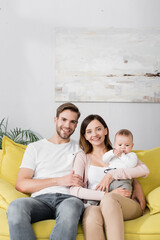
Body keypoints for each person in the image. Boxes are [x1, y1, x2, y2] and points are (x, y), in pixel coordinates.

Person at [7, 102, 85, 240]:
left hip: (69, 199)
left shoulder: (81, 148)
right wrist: (59, 180)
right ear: (55, 120)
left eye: (72, 122)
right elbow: (22, 184)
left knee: (71, 207)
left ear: (76, 124)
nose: (67, 125)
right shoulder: (35, 148)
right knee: (16, 206)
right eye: (64, 119)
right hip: (40, 201)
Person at [70, 114, 149, 240]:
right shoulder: (82, 157)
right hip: (95, 204)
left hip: (125, 203)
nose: (94, 134)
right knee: (91, 217)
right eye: (89, 131)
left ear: (106, 131)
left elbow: (144, 170)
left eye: (98, 129)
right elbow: (74, 190)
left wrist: (113, 175)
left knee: (110, 200)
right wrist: (105, 195)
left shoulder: (120, 151)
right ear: (85, 136)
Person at [102, 129, 138, 193]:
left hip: (124, 181)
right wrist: (112, 153)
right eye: (120, 145)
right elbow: (104, 159)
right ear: (115, 145)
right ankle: (92, 202)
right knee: (101, 189)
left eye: (127, 145)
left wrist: (122, 155)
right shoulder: (113, 153)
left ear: (132, 146)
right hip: (110, 180)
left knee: (125, 191)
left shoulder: (132, 155)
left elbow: (132, 164)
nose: (123, 147)